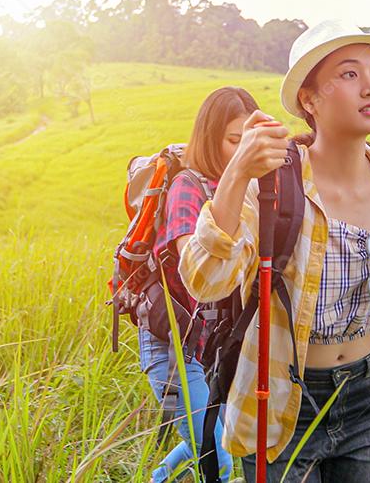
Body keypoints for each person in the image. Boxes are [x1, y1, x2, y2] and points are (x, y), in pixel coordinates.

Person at [177, 20, 370, 481]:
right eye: (350, 75)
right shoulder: (275, 184)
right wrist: (236, 175)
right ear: (308, 100)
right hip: (281, 398)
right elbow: (205, 280)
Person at [139, 86, 259, 483]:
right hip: (173, 345)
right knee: (218, 456)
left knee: (221, 435)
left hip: (213, 346)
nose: (241, 152)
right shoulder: (188, 188)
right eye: (232, 142)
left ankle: (157, 478)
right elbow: (198, 274)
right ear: (210, 139)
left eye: (249, 141)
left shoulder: (248, 189)